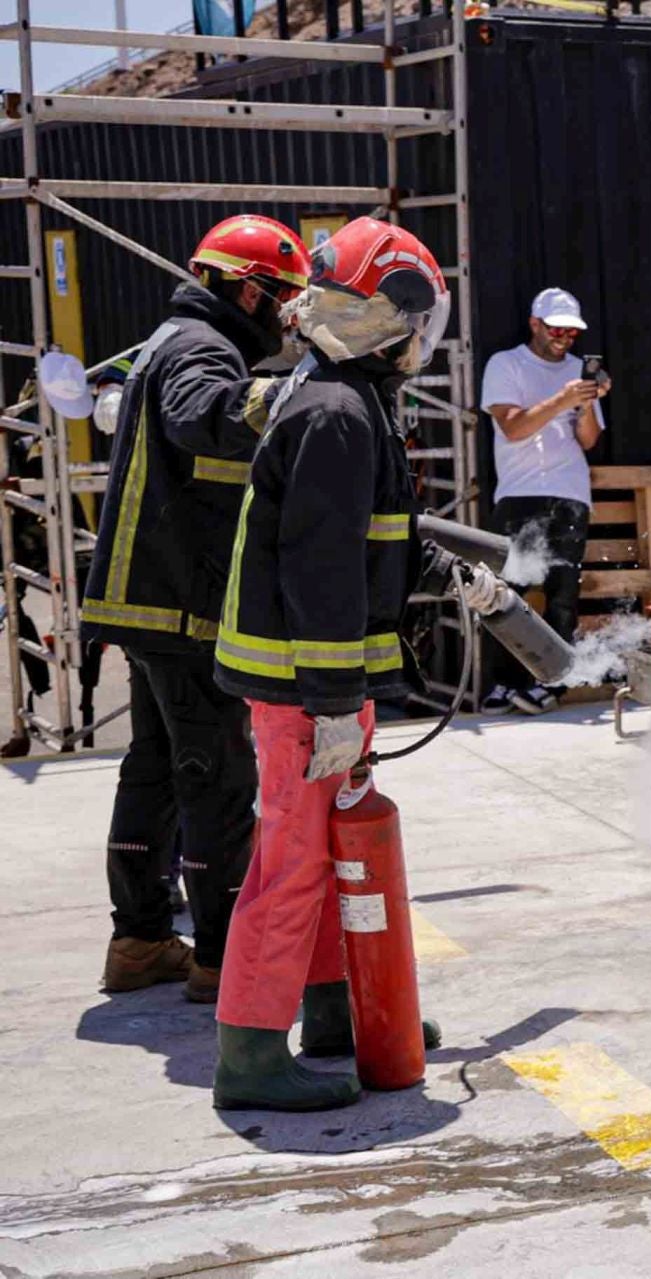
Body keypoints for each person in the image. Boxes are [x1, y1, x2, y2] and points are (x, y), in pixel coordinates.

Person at [210, 217, 508, 1112]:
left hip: (321, 688)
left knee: (333, 850)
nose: (422, 339)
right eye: (415, 320)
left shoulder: (346, 393)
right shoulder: (339, 410)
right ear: (389, 314)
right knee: (294, 861)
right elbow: (321, 569)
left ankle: (335, 1009)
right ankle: (251, 1050)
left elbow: (370, 539)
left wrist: (441, 569)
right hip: (307, 691)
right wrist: (337, 702)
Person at [80, 215, 310, 1001]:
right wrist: (297, 398)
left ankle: (140, 939)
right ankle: (220, 954)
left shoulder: (169, 335)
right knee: (216, 778)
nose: (286, 320)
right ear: (248, 289)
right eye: (283, 303)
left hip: (148, 599)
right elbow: (202, 412)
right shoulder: (200, 350)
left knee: (156, 768)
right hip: (180, 604)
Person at [477, 287, 610, 715]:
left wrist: (586, 405)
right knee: (505, 590)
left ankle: (552, 683)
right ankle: (503, 683)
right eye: (556, 329)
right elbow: (513, 428)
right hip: (518, 490)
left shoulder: (577, 373)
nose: (564, 338)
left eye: (571, 333)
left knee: (562, 593)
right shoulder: (506, 364)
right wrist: (563, 399)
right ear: (535, 323)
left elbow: (587, 440)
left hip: (569, 491)